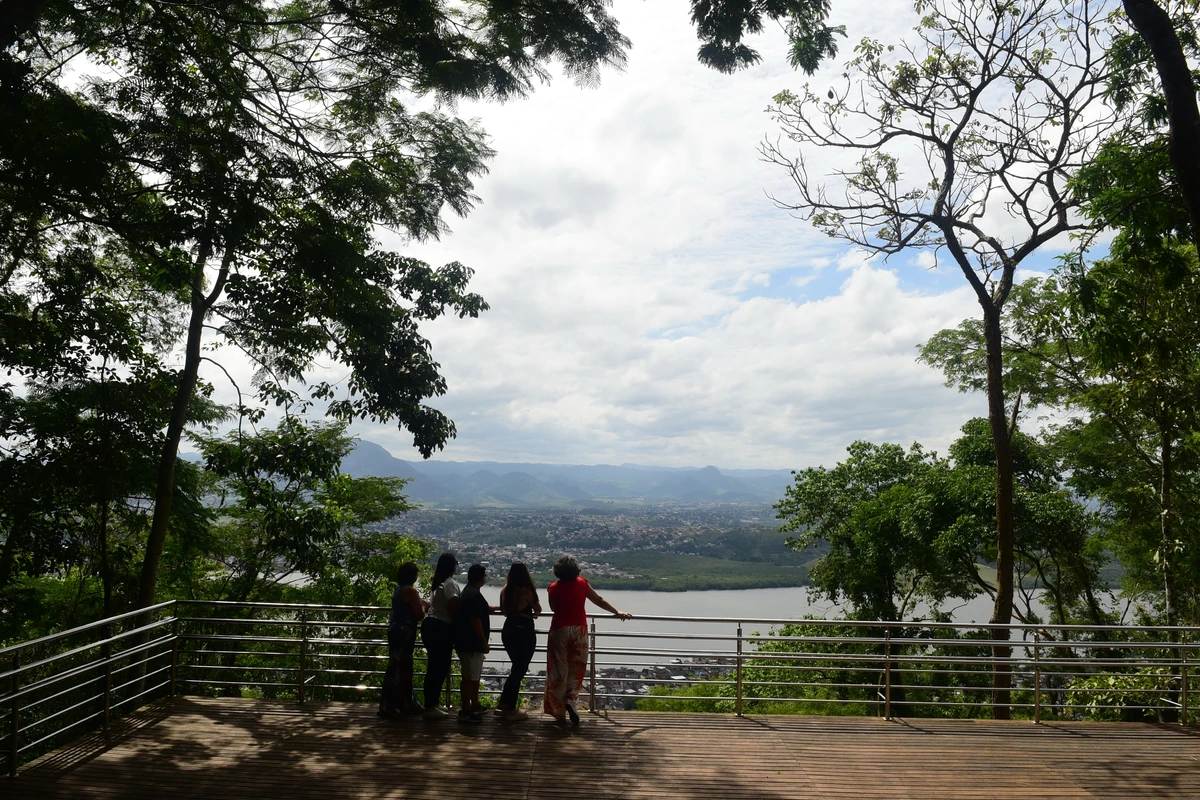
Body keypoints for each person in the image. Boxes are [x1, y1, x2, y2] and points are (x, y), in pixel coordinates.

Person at [543, 555, 630, 724]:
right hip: (579, 630)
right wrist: (616, 612)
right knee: (578, 667)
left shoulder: (552, 588)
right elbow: (598, 600)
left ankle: (558, 712)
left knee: (559, 671)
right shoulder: (582, 583)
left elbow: (553, 608)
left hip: (559, 630)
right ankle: (571, 699)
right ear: (576, 569)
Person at [378, 561, 426, 717]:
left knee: (395, 666)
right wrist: (426, 605)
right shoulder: (411, 591)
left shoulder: (398, 590)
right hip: (405, 633)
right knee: (403, 667)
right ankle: (403, 704)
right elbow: (419, 614)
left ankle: (391, 704)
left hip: (395, 631)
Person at [496, 562, 541, 721]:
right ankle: (509, 709)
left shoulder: (504, 589)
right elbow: (538, 609)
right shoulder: (526, 591)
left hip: (508, 630)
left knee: (517, 668)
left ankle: (503, 704)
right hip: (524, 632)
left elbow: (503, 611)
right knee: (519, 670)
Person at [421, 552, 460, 719]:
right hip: (441, 628)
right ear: (453, 566)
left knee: (434, 667)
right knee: (439, 667)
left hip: (430, 625)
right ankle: (430, 706)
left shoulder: (438, 583)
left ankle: (432, 703)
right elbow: (453, 608)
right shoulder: (450, 584)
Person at [453, 563, 491, 722]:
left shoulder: (468, 592)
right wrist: (483, 641)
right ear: (481, 578)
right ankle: (466, 710)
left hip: (466, 642)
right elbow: (475, 619)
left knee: (473, 676)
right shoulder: (474, 595)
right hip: (471, 644)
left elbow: (480, 611)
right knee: (468, 677)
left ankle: (474, 705)